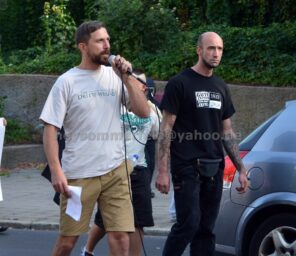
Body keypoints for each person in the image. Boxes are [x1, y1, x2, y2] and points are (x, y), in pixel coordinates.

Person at [40, 20, 150, 256]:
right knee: (67, 242)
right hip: (79, 175)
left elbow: (143, 112)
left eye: (108, 40)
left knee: (121, 238)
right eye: (100, 41)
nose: (107, 45)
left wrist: (127, 78)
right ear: (83, 46)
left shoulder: (116, 76)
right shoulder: (66, 82)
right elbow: (50, 129)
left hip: (116, 171)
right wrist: (56, 170)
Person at [155, 31, 249, 256]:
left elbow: (227, 132)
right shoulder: (180, 83)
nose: (216, 54)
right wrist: (162, 171)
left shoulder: (221, 86)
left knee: (206, 230)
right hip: (187, 167)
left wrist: (241, 169)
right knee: (188, 225)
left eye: (219, 49)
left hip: (214, 166)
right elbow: (166, 128)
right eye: (211, 48)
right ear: (199, 50)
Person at [81, 72, 160, 256]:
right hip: (114, 171)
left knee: (140, 220)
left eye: (135, 80)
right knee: (106, 221)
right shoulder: (115, 105)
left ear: (144, 88)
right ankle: (87, 250)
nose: (129, 82)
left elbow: (156, 135)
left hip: (139, 170)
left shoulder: (152, 111)